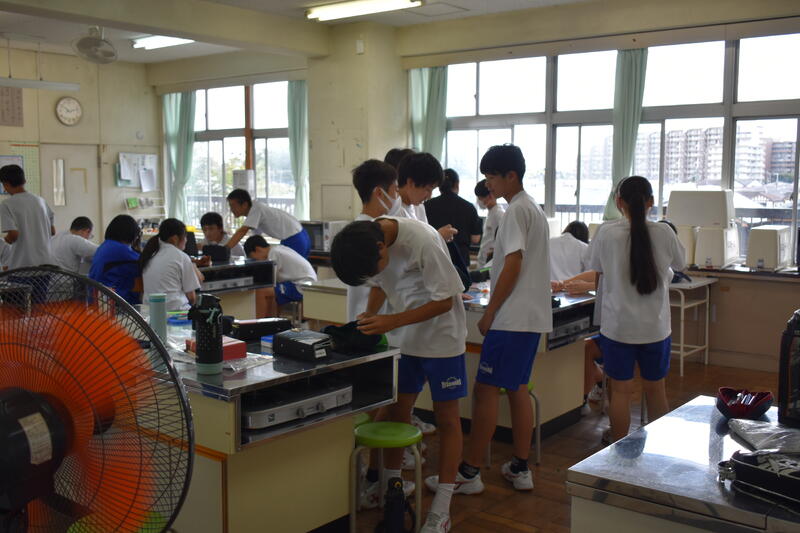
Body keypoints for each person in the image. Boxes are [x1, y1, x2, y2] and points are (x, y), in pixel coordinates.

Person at [331, 217, 468, 533]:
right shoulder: (367, 239)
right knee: (397, 412)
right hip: (404, 340)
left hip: (442, 340)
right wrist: (370, 315)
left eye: (374, 268)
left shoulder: (423, 241)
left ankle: (442, 507)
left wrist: (392, 321)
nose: (375, 274)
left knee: (448, 420)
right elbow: (380, 284)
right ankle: (390, 487)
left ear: (382, 247)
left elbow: (445, 302)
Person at [431, 144, 552, 495]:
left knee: (485, 390)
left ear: (511, 176)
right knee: (516, 389)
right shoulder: (533, 208)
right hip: (529, 318)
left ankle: (469, 472)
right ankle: (519, 467)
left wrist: (491, 312)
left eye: (492, 177)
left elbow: (513, 263)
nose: (489, 185)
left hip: (511, 319)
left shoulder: (515, 211)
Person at [585, 176, 685, 443]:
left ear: (619, 202)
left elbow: (595, 267)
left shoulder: (606, 233)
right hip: (656, 328)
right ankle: (657, 454)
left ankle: (618, 454)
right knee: (656, 391)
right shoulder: (664, 232)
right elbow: (681, 264)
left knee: (620, 392)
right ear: (651, 202)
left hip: (618, 328)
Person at [348, 159, 402, 322]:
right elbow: (381, 284)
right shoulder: (378, 232)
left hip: (360, 315)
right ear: (379, 193)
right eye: (395, 190)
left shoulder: (356, 228)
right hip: (374, 318)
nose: (397, 197)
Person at [243, 235, 317, 317]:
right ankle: (272, 320)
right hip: (302, 282)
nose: (256, 261)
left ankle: (258, 321)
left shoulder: (273, 254)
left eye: (254, 258)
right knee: (271, 290)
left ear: (257, 249)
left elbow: (269, 280)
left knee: (261, 291)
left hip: (302, 286)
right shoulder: (277, 249)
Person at [225, 189, 311, 258]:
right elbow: (257, 238)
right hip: (300, 236)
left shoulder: (256, 210)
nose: (231, 209)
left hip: (295, 239)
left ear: (244, 204)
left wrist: (225, 249)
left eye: (233, 206)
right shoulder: (255, 210)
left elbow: (242, 231)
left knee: (290, 272)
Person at [0, 164, 55, 269]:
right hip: (46, 265)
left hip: (23, 266)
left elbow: (13, 235)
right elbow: (52, 231)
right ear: (24, 181)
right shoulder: (41, 201)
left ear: (5, 184)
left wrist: (5, 241)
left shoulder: (7, 204)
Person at [141, 218, 202, 312]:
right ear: (175, 238)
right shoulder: (181, 257)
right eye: (185, 237)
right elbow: (191, 298)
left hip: (150, 313)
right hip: (176, 313)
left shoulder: (150, 255)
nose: (186, 240)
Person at [424, 168, 482, 266]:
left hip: (435, 257)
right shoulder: (469, 207)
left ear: (439, 186)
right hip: (460, 259)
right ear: (457, 184)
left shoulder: (427, 206)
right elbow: (475, 239)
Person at [90, 214, 142, 306]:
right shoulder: (120, 249)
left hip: (97, 297)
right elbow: (144, 261)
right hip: (111, 301)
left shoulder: (106, 245)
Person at [550, 221, 597, 295]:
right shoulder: (584, 247)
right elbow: (593, 273)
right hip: (573, 290)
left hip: (551, 288)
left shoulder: (549, 242)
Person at [474, 179, 506, 268]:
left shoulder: (499, 214)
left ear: (490, 195)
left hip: (490, 264)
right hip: (483, 262)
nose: (479, 201)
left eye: (481, 198)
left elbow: (503, 241)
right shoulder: (491, 213)